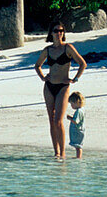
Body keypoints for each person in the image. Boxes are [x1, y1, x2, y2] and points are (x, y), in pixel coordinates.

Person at [35, 21, 86, 158]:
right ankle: (56, 152)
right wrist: (42, 77)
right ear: (51, 33)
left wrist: (74, 79)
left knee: (58, 120)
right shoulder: (48, 50)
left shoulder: (68, 48)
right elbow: (37, 65)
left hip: (63, 87)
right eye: (56, 31)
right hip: (49, 87)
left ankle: (62, 154)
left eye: (61, 31)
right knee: (51, 120)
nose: (59, 33)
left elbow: (83, 64)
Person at [67, 91, 86, 158]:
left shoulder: (78, 111)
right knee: (78, 145)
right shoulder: (82, 109)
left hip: (77, 130)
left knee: (78, 146)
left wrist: (70, 118)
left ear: (76, 102)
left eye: (72, 104)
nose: (71, 106)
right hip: (80, 129)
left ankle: (78, 157)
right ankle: (78, 156)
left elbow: (75, 121)